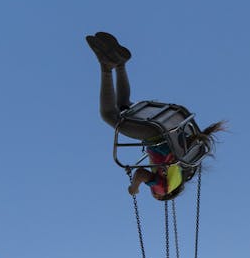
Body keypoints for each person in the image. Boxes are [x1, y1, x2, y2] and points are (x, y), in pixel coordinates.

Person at [86, 31, 225, 202]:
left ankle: (120, 64)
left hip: (163, 125)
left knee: (124, 106)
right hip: (154, 134)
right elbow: (140, 174)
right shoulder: (164, 187)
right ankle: (107, 67)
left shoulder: (181, 173)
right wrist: (134, 188)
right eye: (155, 195)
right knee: (109, 116)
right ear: (164, 195)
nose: (153, 192)